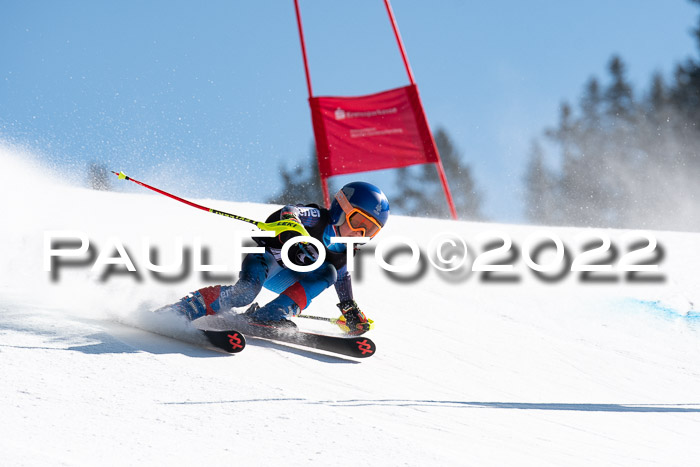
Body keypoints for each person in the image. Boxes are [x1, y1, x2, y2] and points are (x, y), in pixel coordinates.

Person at [170, 181, 390, 336]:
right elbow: (291, 210)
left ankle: (270, 314)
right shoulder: (318, 219)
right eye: (358, 222)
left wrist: (349, 310)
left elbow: (342, 280)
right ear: (342, 208)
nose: (359, 233)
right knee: (245, 293)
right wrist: (292, 228)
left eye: (369, 230)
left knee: (330, 273)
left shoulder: (345, 251)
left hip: (288, 278)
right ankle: (186, 308)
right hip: (265, 259)